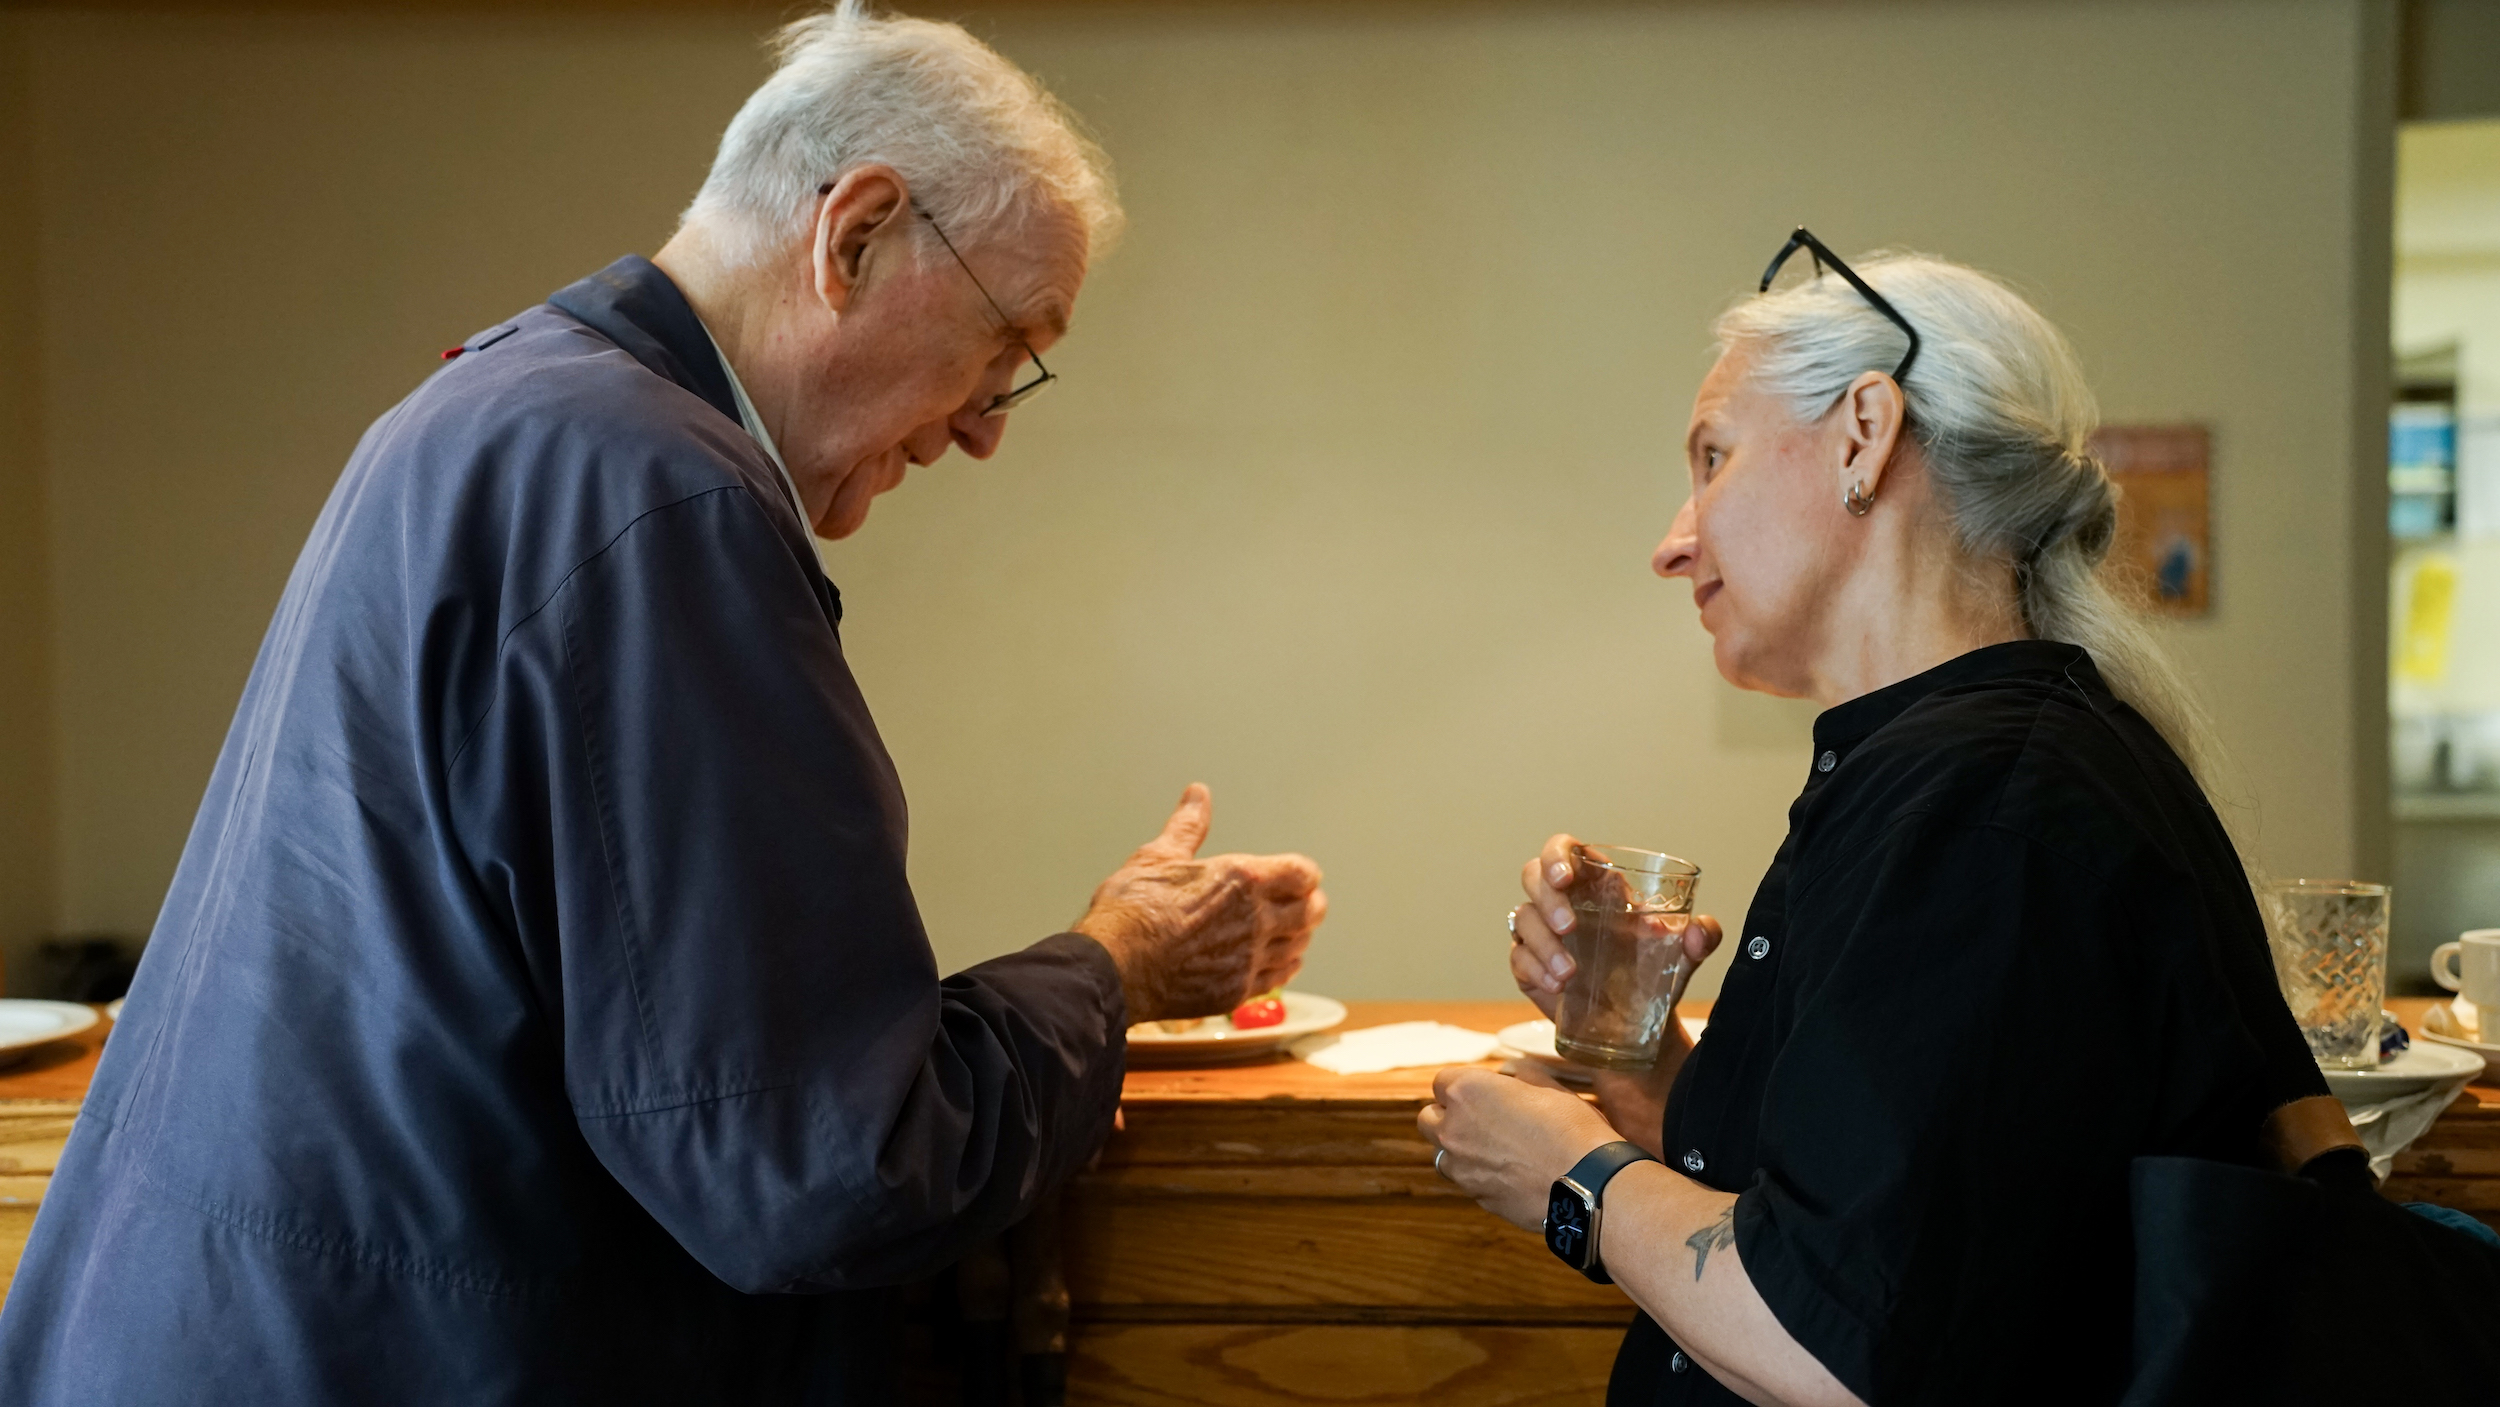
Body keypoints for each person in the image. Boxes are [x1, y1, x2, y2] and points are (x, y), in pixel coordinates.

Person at [0, 5, 1326, 1402]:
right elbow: (817, 1164)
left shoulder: (489, 409)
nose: (989, 425)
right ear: (856, 234)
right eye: (1006, 344)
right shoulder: (661, 494)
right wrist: (1114, 965)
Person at [1418, 232, 2357, 1407]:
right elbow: (1877, 1207)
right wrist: (1630, 1051)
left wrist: (1574, 1178)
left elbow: (1835, 1350)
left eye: (1712, 458)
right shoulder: (1966, 769)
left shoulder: (1982, 807)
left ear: (1864, 433)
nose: (1671, 542)